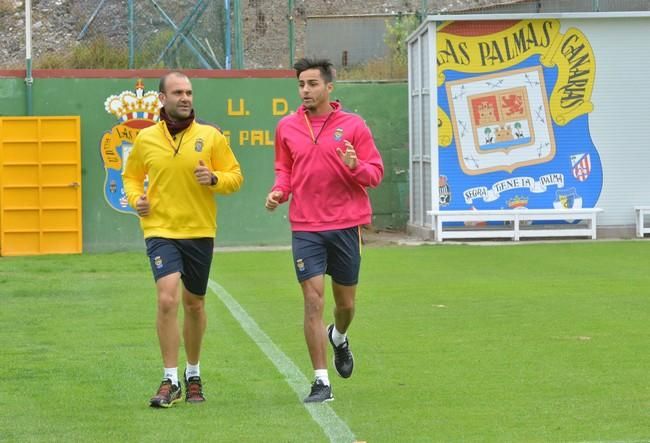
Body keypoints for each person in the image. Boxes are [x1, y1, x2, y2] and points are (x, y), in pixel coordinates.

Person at [265, 58, 384, 403]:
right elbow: (283, 171)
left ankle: (340, 337)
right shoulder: (286, 127)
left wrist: (355, 166)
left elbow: (374, 174)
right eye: (301, 84)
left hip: (347, 225)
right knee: (313, 300)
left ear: (329, 88)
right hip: (305, 227)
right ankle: (321, 382)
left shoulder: (354, 125)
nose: (305, 90)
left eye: (312, 84)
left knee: (345, 305)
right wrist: (278, 192)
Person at [123, 71, 243, 408]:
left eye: (189, 92)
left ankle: (193, 374)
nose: (185, 97)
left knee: (194, 304)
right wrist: (137, 200)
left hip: (200, 231)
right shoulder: (146, 140)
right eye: (177, 92)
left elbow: (235, 177)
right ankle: (170, 379)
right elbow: (131, 177)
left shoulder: (211, 135)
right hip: (160, 230)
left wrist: (215, 177)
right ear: (162, 99)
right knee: (166, 299)